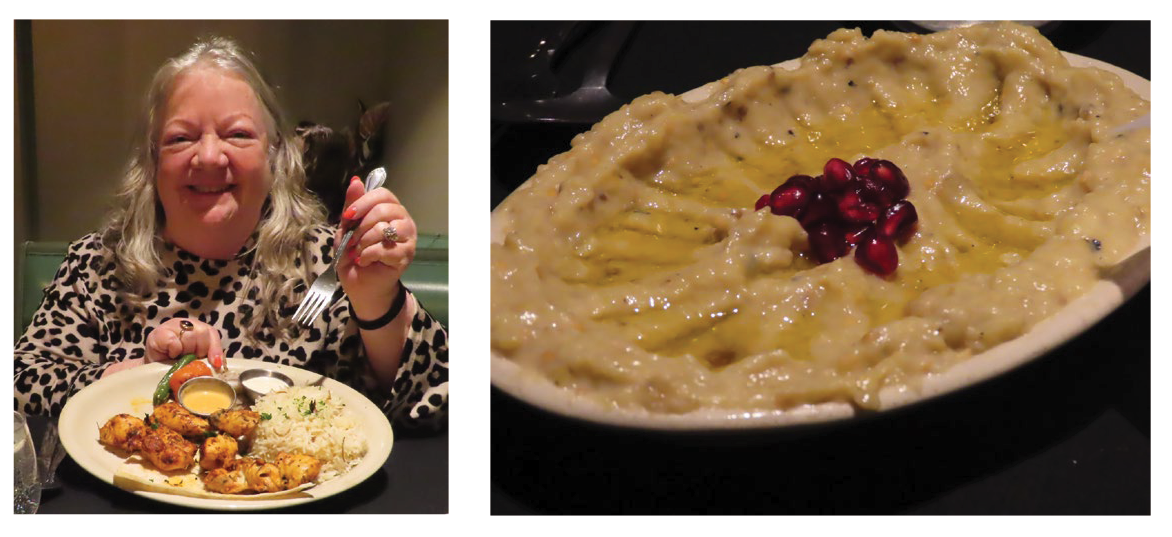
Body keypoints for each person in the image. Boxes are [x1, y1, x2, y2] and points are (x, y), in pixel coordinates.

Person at [13, 37, 447, 431]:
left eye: (237, 134)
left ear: (274, 155)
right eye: (181, 138)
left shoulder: (326, 261)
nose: (207, 157)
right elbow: (19, 383)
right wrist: (145, 374)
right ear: (152, 161)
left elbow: (440, 399)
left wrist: (376, 301)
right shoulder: (96, 263)